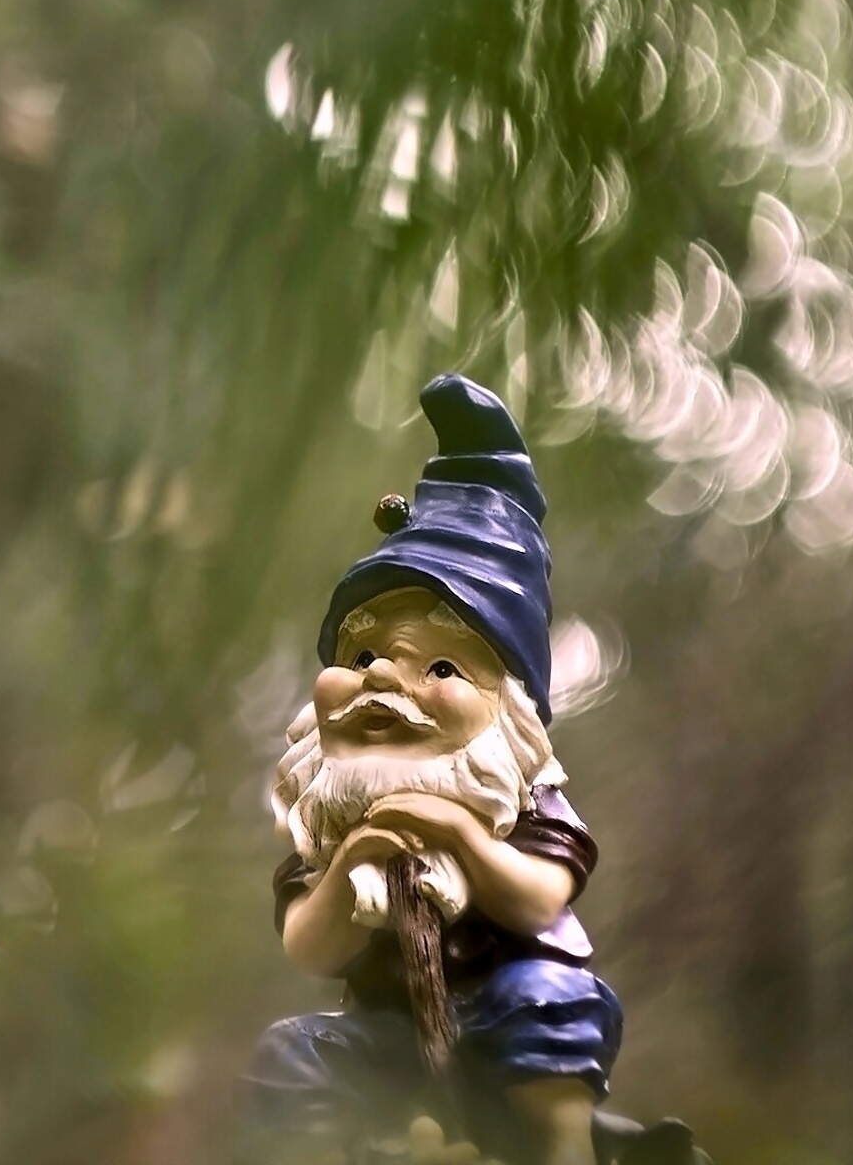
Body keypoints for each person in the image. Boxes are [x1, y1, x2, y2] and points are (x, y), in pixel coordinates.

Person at [239, 375, 692, 1165]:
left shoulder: (522, 805)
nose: (383, 679)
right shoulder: (330, 821)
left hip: (504, 1020)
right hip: (386, 1038)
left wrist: (458, 833)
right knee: (293, 1053)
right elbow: (314, 950)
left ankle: (563, 1147)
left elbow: (539, 900)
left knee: (552, 1002)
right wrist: (354, 859)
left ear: (507, 709)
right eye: (361, 655)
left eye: (441, 667)